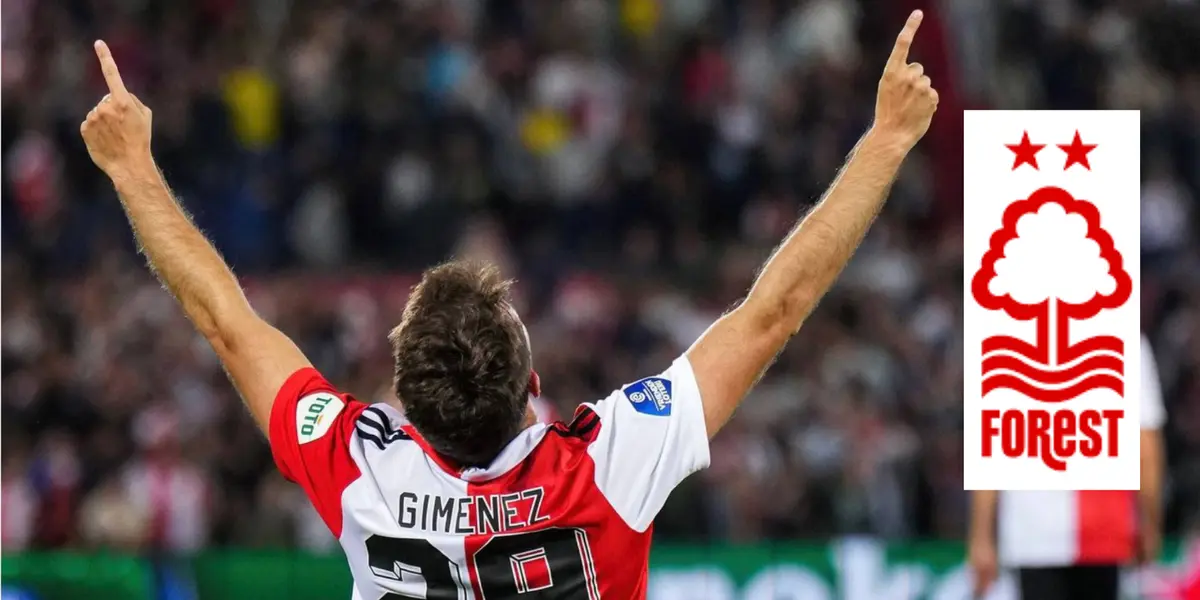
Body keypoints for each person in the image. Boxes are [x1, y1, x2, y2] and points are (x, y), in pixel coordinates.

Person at [78, 11, 936, 598]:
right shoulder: (606, 466)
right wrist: (887, 139)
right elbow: (774, 310)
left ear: (402, 405)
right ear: (534, 385)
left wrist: (133, 170)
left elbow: (226, 322)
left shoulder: (363, 471)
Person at [968, 334, 1168, 600]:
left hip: (1034, 531)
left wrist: (981, 536)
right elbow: (1146, 448)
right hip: (1102, 528)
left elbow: (991, 446)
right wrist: (1149, 521)